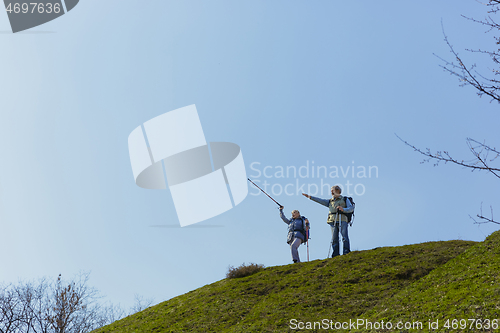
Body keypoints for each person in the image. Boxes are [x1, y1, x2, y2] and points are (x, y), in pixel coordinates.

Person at [302, 185, 353, 258]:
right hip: (332, 221)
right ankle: (335, 254)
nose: (331, 192)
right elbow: (320, 200)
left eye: (333, 190)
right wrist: (310, 197)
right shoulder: (330, 201)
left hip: (342, 219)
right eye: (331, 190)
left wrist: (343, 209)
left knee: (344, 237)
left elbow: (351, 208)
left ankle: (346, 252)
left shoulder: (344, 199)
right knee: (334, 238)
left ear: (338, 191)